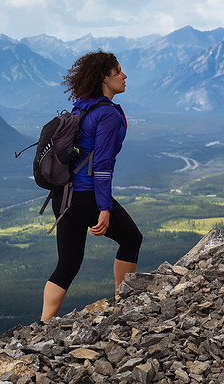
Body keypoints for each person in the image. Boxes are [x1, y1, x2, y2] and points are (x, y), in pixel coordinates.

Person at [40, 50, 143, 322]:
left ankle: (43, 323)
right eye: (118, 71)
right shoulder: (107, 114)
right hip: (85, 195)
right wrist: (105, 208)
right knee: (132, 239)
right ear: (103, 77)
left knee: (68, 263)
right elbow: (102, 165)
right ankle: (124, 302)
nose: (124, 76)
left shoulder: (81, 105)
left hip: (62, 194)